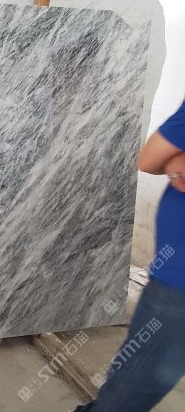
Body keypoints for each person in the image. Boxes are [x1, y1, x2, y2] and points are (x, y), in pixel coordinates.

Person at [74, 100, 185, 411]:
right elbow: (154, 160)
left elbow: (151, 158)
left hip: (177, 285)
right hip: (176, 282)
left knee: (128, 394)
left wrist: (174, 162)